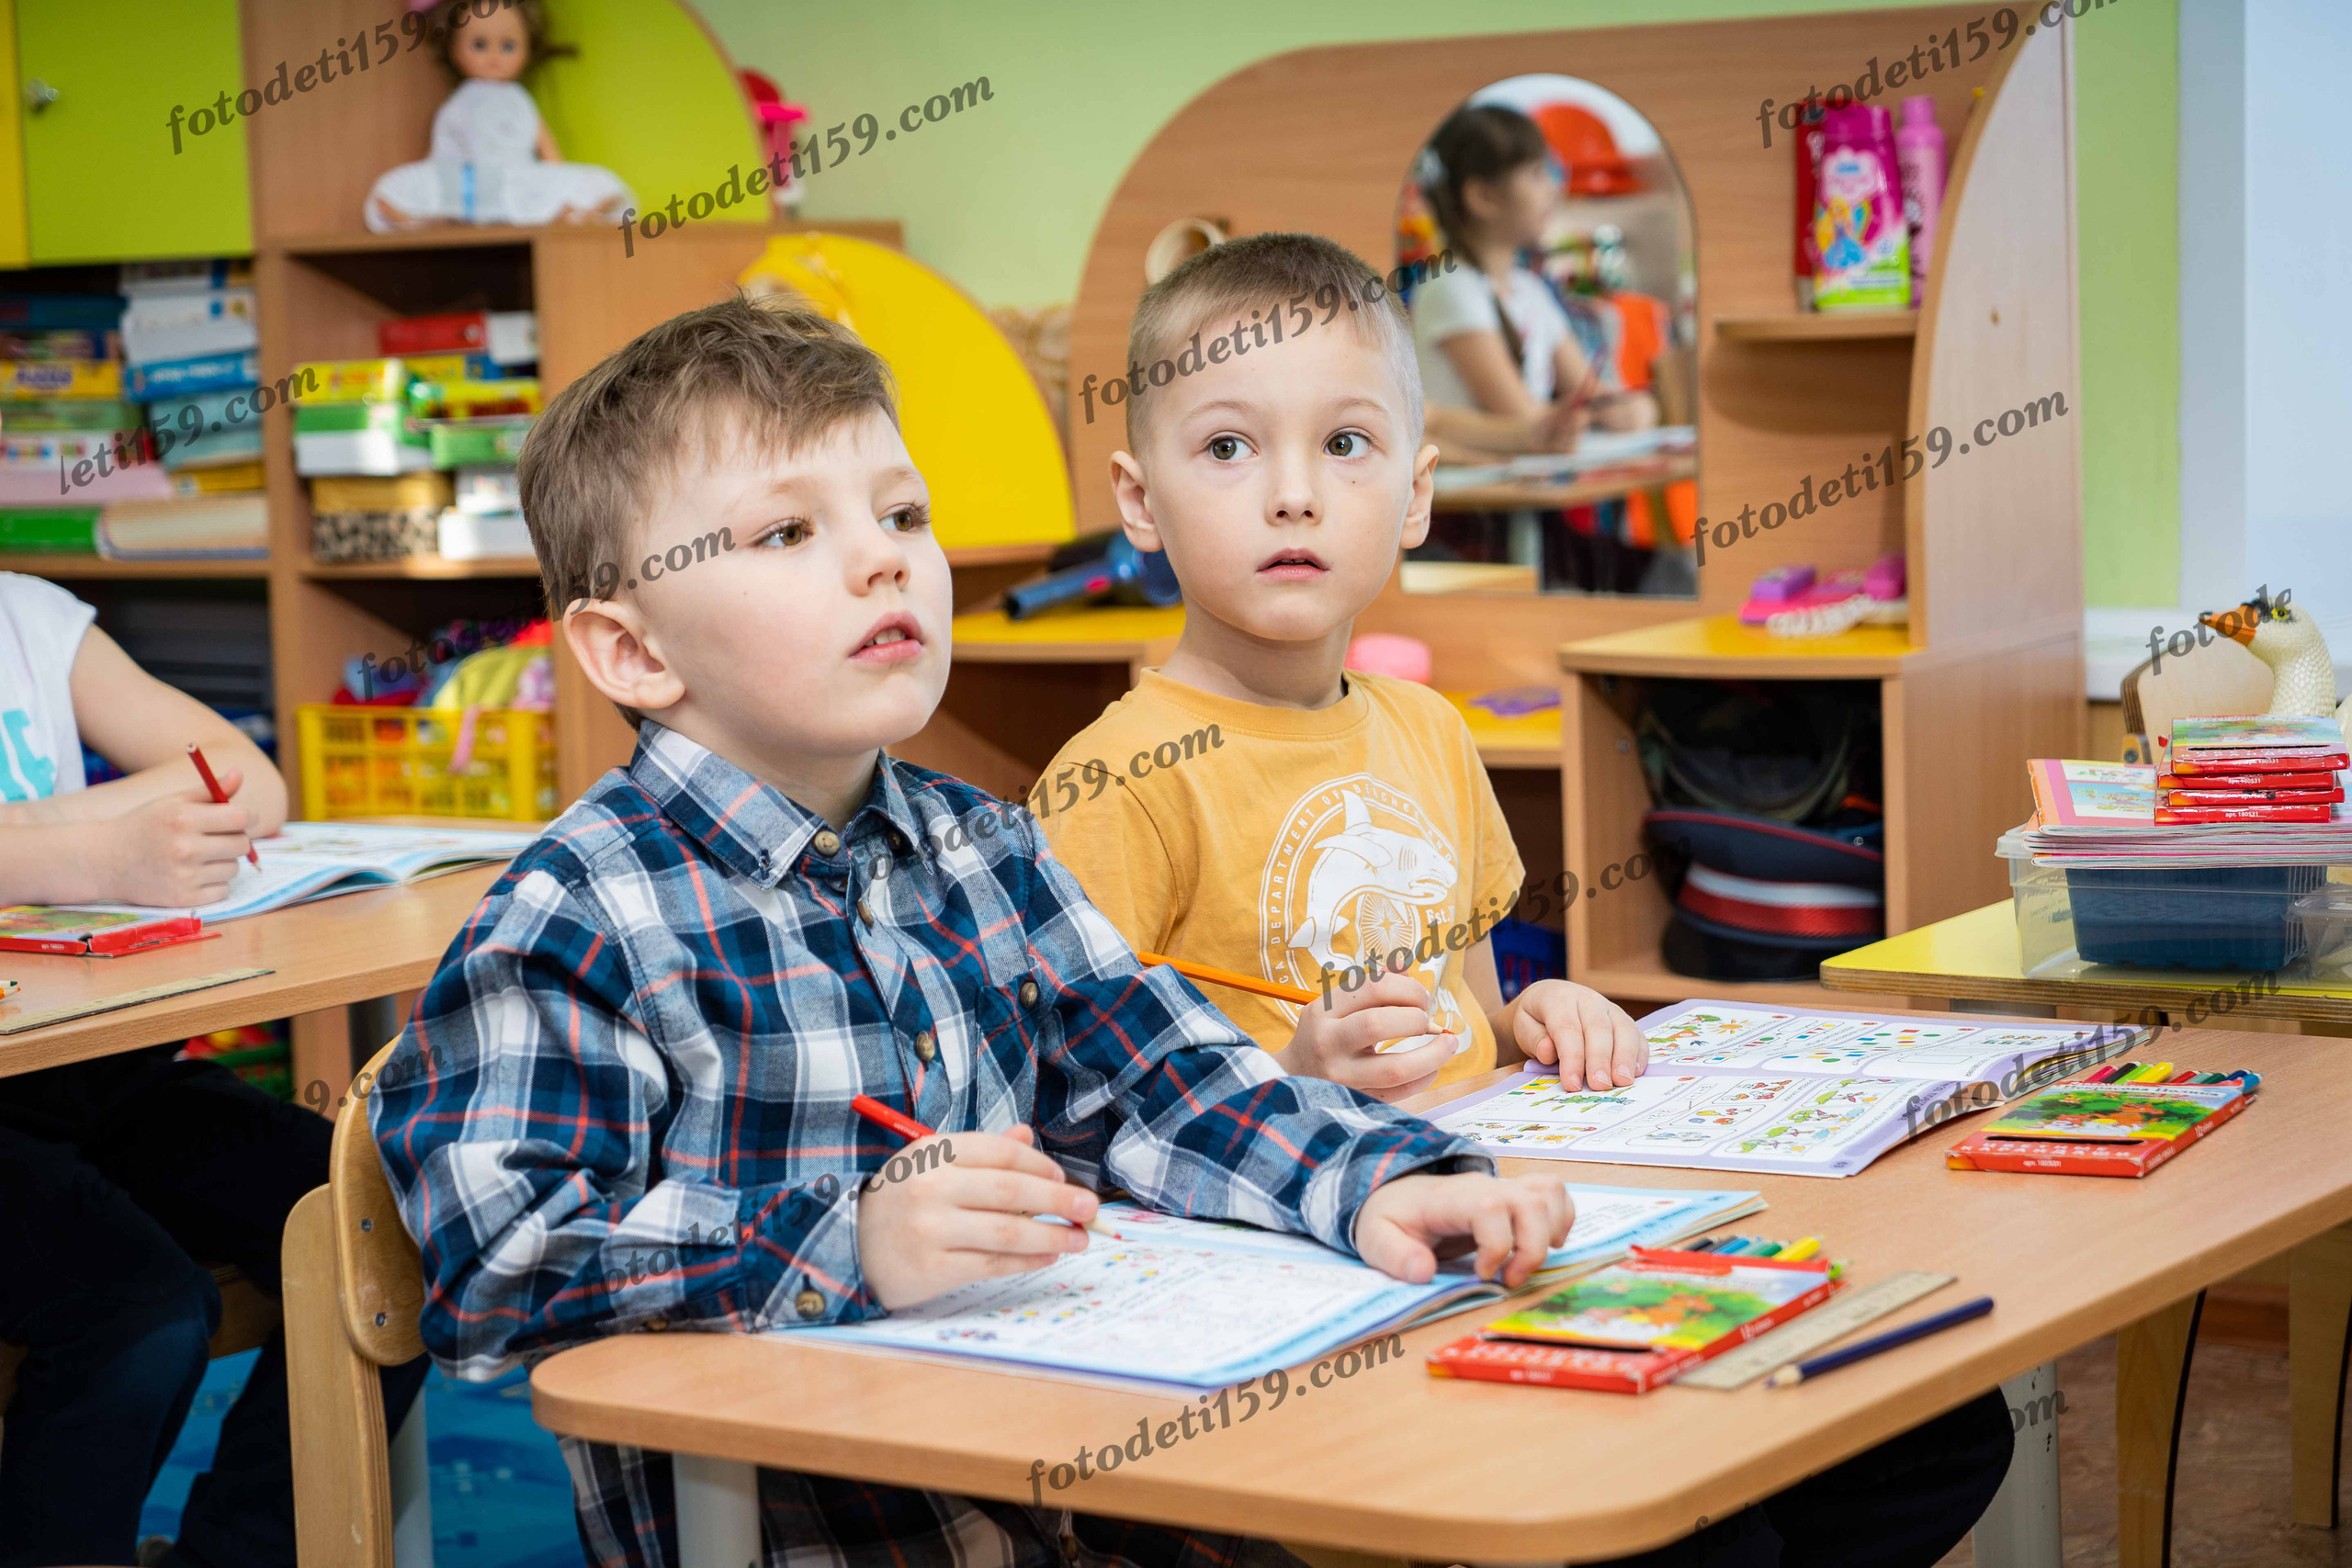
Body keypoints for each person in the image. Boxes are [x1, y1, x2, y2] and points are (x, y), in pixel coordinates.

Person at [363, 293, 1572, 1568]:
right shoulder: (579, 912)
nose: (886, 560)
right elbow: (501, 1261)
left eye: (903, 515)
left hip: (1082, 1498)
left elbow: (1170, 1078)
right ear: (631, 648)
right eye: (788, 529)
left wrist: (1379, 1177)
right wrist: (849, 1240)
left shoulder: (981, 843)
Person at [1035, 232, 2014, 1567]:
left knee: (1938, 1435)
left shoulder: (1431, 732)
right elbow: (1067, 1113)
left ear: (1421, 491)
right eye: (1227, 450)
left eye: (1346, 445)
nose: (1292, 497)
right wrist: (1296, 1069)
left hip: (1505, 1237)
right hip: (1316, 1291)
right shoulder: (1113, 782)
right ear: (1138, 502)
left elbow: (1476, 1015)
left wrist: (1544, 1010)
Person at [0, 572, 424, 1568]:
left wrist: (56, 837)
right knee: (139, 1315)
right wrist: (85, 855)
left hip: (105, 1066)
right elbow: (153, 814)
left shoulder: (28, 615)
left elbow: (247, 779)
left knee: (387, 1223)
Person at [1411, 103, 1663, 591]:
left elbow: (1598, 395)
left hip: (1517, 513)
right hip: (1474, 528)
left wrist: (1633, 410)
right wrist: (1593, 415)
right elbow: (1526, 421)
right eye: (1535, 173)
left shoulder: (1528, 289)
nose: (1554, 187)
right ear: (1483, 196)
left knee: (1643, 570)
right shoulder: (1451, 287)